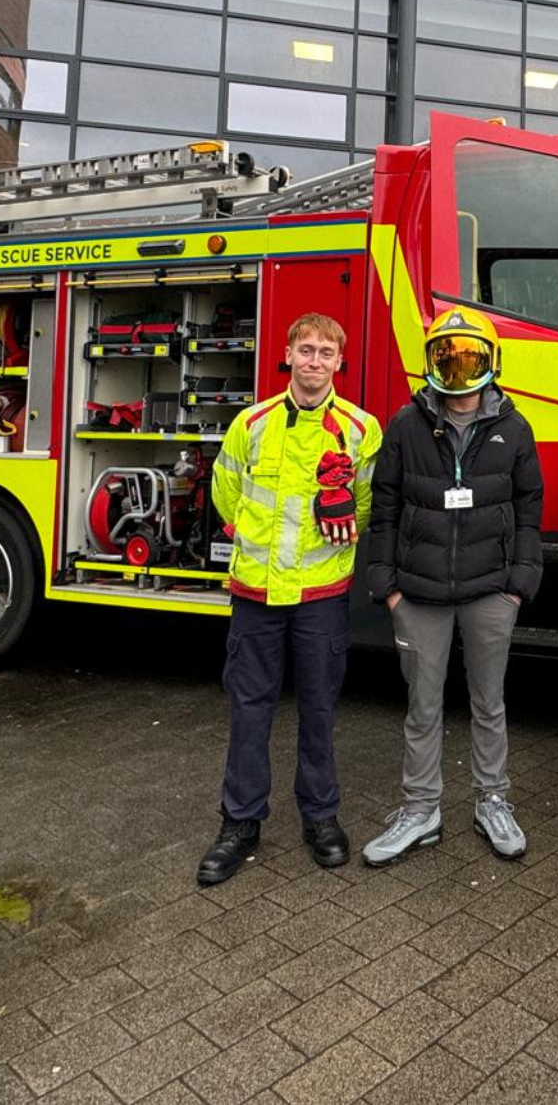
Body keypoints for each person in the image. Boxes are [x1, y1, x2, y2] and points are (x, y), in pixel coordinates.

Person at [196, 312, 383, 884]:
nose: (315, 361)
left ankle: (321, 819)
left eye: (327, 352)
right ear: (287, 354)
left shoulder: (360, 429)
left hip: (321, 594)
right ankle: (239, 823)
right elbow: (225, 495)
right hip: (256, 592)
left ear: (339, 363)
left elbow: (365, 506)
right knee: (249, 709)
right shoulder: (250, 424)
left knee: (320, 710)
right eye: (307, 349)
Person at [360, 308, 543, 865]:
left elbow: (529, 511)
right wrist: (386, 586)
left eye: (469, 359)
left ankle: (493, 800)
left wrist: (518, 586)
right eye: (447, 358)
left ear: (490, 363)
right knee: (422, 705)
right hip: (417, 595)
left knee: (489, 703)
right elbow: (385, 508)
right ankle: (421, 810)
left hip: (491, 591)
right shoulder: (406, 424)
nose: (458, 371)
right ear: (431, 363)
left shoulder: (514, 426)